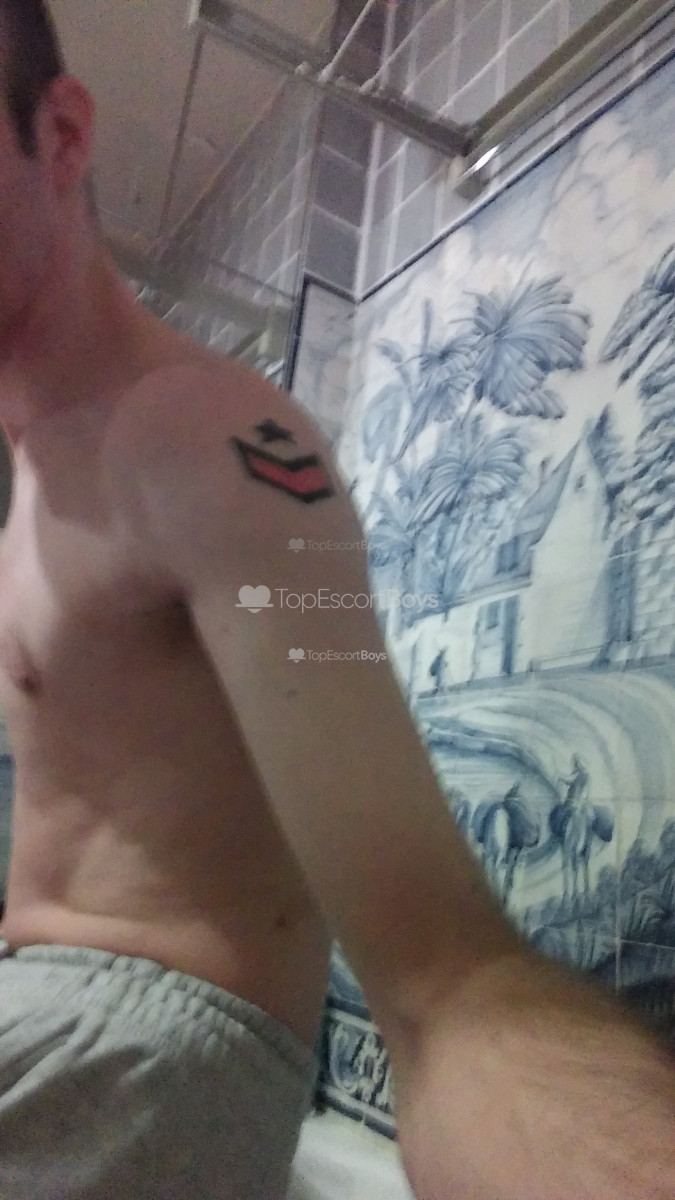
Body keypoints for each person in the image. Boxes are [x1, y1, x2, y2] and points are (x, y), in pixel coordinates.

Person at [0, 3, 671, 1198]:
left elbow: (449, 982)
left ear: (59, 135)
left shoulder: (208, 440)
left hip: (149, 1046)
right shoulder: (37, 489)